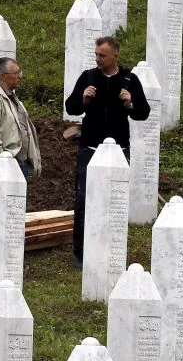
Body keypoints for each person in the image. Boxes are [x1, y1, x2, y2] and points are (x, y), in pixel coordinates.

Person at [64, 36, 151, 267]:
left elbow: (143, 112)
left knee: (116, 200)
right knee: (83, 200)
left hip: (119, 149)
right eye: (96, 55)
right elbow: (70, 107)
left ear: (115, 55)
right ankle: (81, 255)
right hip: (90, 148)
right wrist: (83, 100)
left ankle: (112, 250)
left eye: (102, 55)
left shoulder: (129, 79)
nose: (98, 58)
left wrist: (130, 103)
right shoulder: (88, 77)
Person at [0, 57, 42, 180]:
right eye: (16, 73)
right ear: (3, 76)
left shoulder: (14, 100)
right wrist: (2, 158)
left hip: (18, 165)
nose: (20, 76)